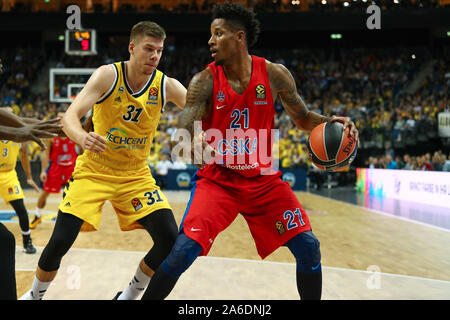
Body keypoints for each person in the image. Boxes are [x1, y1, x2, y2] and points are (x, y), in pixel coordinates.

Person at [141, 3, 358, 300]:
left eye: (218, 34)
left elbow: (303, 118)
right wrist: (194, 146)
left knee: (309, 246)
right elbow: (183, 134)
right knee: (183, 251)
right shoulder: (203, 81)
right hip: (219, 180)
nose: (210, 41)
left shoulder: (274, 74)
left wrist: (332, 121)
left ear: (239, 38)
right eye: (210, 34)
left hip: (264, 180)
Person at [21, 21, 187, 300]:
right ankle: (34, 296)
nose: (155, 56)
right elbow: (71, 117)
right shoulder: (107, 76)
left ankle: (129, 295)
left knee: (170, 238)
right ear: (132, 48)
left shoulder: (166, 85)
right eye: (149, 49)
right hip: (95, 170)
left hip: (135, 175)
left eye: (159, 51)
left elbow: (201, 110)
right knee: (61, 239)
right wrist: (81, 138)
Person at [0, 57, 63, 300]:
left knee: (5, 239)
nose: (2, 67)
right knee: (4, 241)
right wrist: (20, 132)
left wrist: (43, 125)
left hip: (8, 174)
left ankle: (26, 239)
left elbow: (10, 119)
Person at [29, 112, 79, 229]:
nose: (61, 120)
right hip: (56, 167)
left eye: (63, 118)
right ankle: (37, 216)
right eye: (59, 118)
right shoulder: (51, 136)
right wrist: (42, 171)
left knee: (75, 194)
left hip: (71, 167)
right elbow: (45, 154)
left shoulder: (74, 132)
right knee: (45, 192)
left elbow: (82, 149)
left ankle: (76, 219)